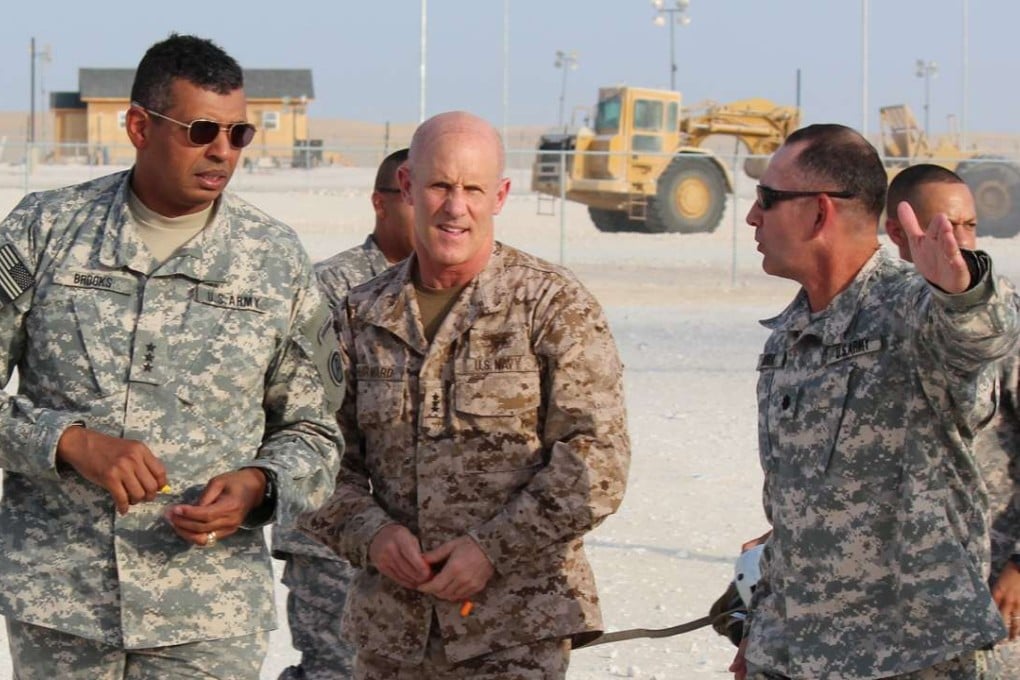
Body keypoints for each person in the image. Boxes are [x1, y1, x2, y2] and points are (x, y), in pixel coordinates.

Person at [0, 34, 342, 679]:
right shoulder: (45, 231)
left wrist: (260, 486)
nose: (222, 150)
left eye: (239, 134)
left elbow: (315, 429)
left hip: (208, 613)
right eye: (202, 130)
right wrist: (68, 442)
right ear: (139, 127)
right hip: (63, 605)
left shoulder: (274, 260)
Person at [299, 111, 631, 679]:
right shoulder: (358, 314)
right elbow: (317, 455)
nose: (456, 207)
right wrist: (372, 534)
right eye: (440, 186)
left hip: (514, 629)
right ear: (407, 187)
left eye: (473, 189)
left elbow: (597, 462)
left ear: (499, 196)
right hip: (393, 633)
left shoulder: (551, 306)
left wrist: (492, 548)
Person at [735, 124, 1018, 679]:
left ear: (819, 212)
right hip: (795, 651)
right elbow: (795, 511)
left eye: (767, 199)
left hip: (911, 656)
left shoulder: (914, 309)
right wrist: (762, 626)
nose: (751, 216)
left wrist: (961, 295)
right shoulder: (789, 338)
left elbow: (985, 334)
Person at [273, 147, 414, 680]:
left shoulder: (454, 287)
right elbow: (306, 408)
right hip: (331, 526)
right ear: (381, 203)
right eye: (412, 195)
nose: (432, 209)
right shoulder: (332, 287)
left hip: (414, 527)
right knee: (336, 668)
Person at [887, 163, 1020, 674]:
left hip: (994, 580)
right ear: (899, 233)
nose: (961, 240)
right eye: (944, 227)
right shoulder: (883, 317)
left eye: (970, 226)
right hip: (907, 596)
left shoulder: (1000, 319)